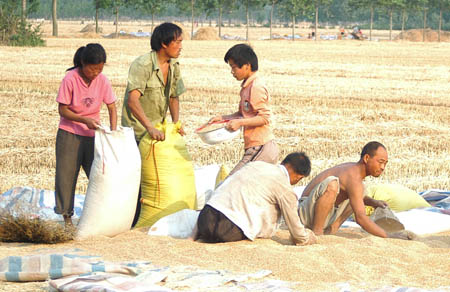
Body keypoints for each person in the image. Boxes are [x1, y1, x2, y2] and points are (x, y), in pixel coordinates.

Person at [121, 22, 186, 225]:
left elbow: (174, 96)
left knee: (156, 176)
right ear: (163, 44)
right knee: (138, 179)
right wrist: (149, 127)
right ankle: (132, 220)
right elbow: (133, 100)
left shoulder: (174, 66)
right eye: (177, 41)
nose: (181, 46)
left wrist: (176, 123)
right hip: (137, 129)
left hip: (157, 128)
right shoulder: (142, 65)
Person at [54, 43, 117, 227]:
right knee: (66, 176)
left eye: (100, 69)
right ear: (82, 63)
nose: (96, 73)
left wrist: (112, 133)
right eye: (92, 69)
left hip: (94, 136)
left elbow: (112, 107)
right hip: (70, 134)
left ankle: (100, 214)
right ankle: (67, 217)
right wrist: (84, 120)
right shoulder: (70, 79)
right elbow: (63, 110)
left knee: (99, 175)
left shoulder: (103, 80)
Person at [195, 152, 317, 246]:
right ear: (299, 177)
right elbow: (298, 234)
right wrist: (308, 237)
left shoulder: (255, 165)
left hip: (204, 218)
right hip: (227, 228)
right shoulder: (284, 187)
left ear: (284, 162)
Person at [298, 141, 412, 239]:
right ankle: (317, 231)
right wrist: (388, 235)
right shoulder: (352, 175)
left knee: (359, 193)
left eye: (385, 164)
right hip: (304, 213)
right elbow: (360, 218)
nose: (382, 167)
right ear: (367, 158)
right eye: (380, 162)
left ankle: (332, 229)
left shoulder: (356, 179)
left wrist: (373, 202)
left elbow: (357, 196)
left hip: (321, 215)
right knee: (332, 185)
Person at [207, 44, 278, 177]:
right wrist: (223, 118)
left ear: (247, 65)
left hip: (261, 148)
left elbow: (264, 118)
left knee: (231, 183)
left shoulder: (256, 87)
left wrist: (240, 123)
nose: (232, 72)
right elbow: (243, 114)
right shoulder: (247, 86)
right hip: (256, 148)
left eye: (234, 67)